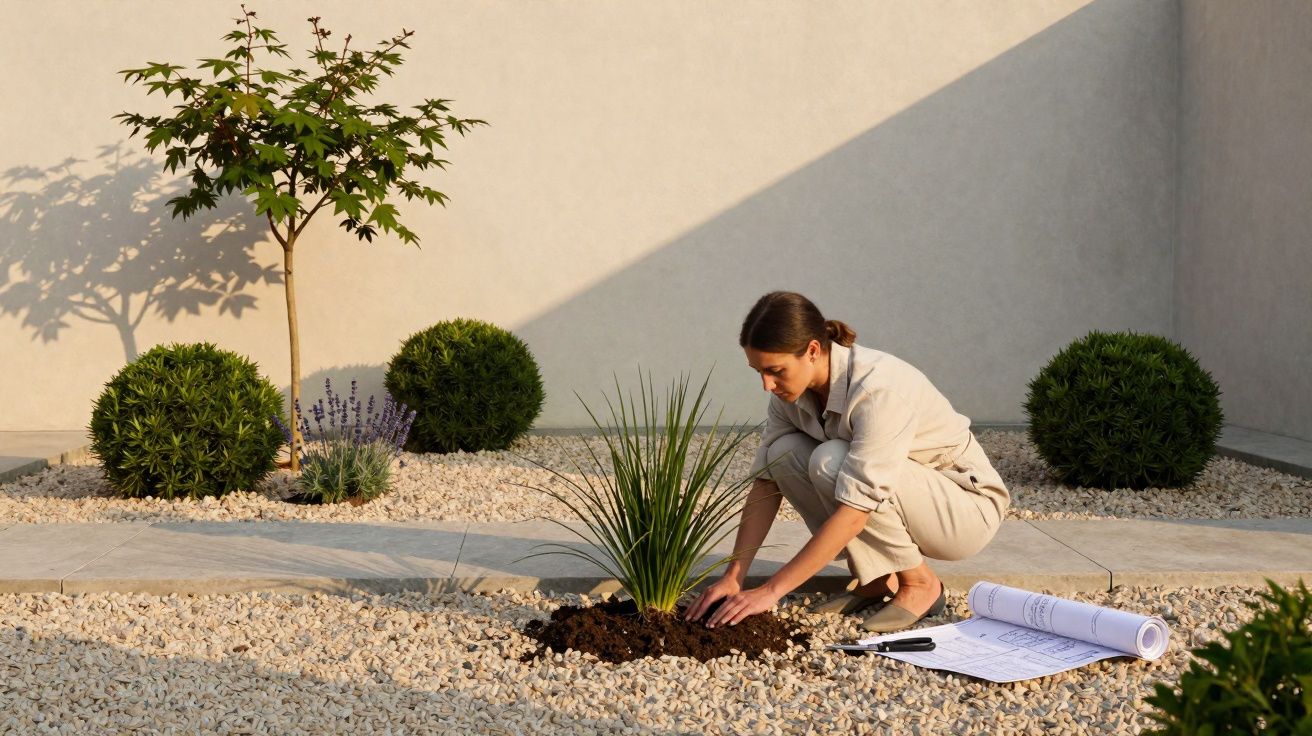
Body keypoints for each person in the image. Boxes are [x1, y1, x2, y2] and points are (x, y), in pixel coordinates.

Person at [683, 291, 1010, 633]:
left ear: (812, 350)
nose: (766, 384)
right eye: (759, 372)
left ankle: (920, 584)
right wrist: (734, 577)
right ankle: (875, 580)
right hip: (907, 493)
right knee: (782, 454)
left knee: (832, 460)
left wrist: (771, 591)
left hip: (964, 510)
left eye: (775, 370)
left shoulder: (876, 390)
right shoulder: (789, 393)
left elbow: (857, 510)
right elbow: (767, 483)